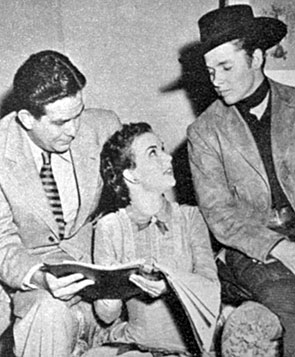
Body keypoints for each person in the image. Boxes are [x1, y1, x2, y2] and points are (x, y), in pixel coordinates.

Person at [187, 4, 295, 356]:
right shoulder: (204, 132)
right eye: (210, 70)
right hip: (251, 250)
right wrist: (280, 249)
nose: (215, 80)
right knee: (290, 302)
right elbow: (220, 215)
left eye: (226, 67)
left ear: (258, 58)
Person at [0, 49, 121, 357]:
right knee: (49, 313)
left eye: (78, 115)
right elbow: (2, 243)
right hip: (34, 272)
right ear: (27, 119)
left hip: (99, 264)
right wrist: (41, 277)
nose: (74, 130)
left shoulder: (104, 128)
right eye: (60, 122)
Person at [83, 122, 220, 357]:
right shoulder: (111, 227)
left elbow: (210, 286)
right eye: (153, 153)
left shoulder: (190, 217)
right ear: (131, 174)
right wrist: (115, 285)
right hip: (137, 347)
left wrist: (171, 286)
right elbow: (106, 315)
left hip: (196, 350)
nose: (167, 159)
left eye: (163, 149)